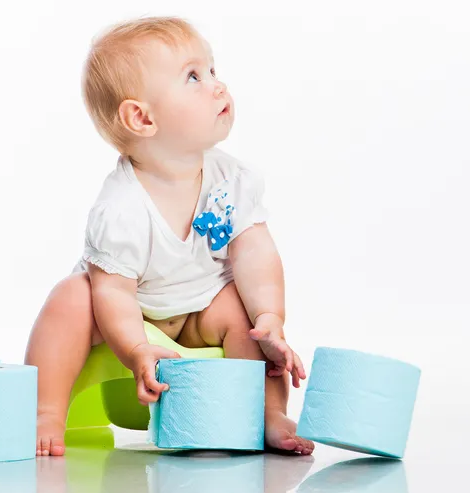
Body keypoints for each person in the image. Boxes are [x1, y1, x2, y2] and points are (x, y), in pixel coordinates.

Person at [25, 15, 315, 457]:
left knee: (246, 317)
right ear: (141, 118)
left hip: (201, 307)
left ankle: (268, 413)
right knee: (71, 297)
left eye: (213, 71)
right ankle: (46, 410)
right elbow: (115, 293)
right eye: (194, 77)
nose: (218, 86)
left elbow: (255, 251)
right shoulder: (121, 207)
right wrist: (136, 346)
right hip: (128, 311)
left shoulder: (232, 178)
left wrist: (270, 317)